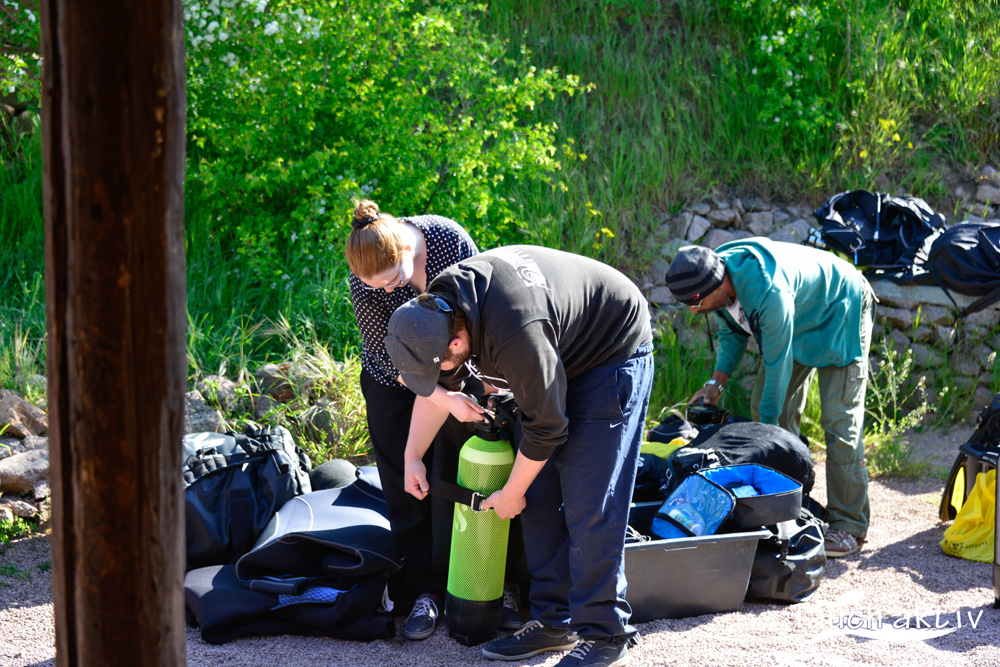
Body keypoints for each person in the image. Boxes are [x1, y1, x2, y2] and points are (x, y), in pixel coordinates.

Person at [383, 245, 653, 667]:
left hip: (610, 349)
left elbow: (548, 426)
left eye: (439, 369)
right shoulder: (437, 310)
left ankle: (605, 633)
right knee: (540, 497)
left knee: (590, 500)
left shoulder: (513, 329)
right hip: (554, 349)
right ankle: (553, 622)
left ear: (457, 341)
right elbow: (443, 393)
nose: (437, 379)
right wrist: (413, 456)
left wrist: (511, 491)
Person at [346, 199, 520, 640]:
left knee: (459, 473)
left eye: (394, 281)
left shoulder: (446, 238)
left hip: (458, 367)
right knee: (406, 484)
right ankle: (423, 591)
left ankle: (491, 585)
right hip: (393, 381)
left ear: (406, 247)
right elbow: (393, 362)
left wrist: (455, 392)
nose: (388, 291)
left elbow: (476, 315)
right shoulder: (367, 281)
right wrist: (441, 399)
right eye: (378, 287)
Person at [664, 240, 876, 558]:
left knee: (838, 418)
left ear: (719, 282)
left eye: (696, 301)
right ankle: (789, 503)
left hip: (841, 307)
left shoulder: (767, 290)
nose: (694, 310)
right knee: (765, 405)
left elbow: (777, 365)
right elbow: (733, 333)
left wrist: (766, 440)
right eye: (688, 304)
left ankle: (850, 525)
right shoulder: (717, 283)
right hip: (801, 317)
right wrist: (715, 383)